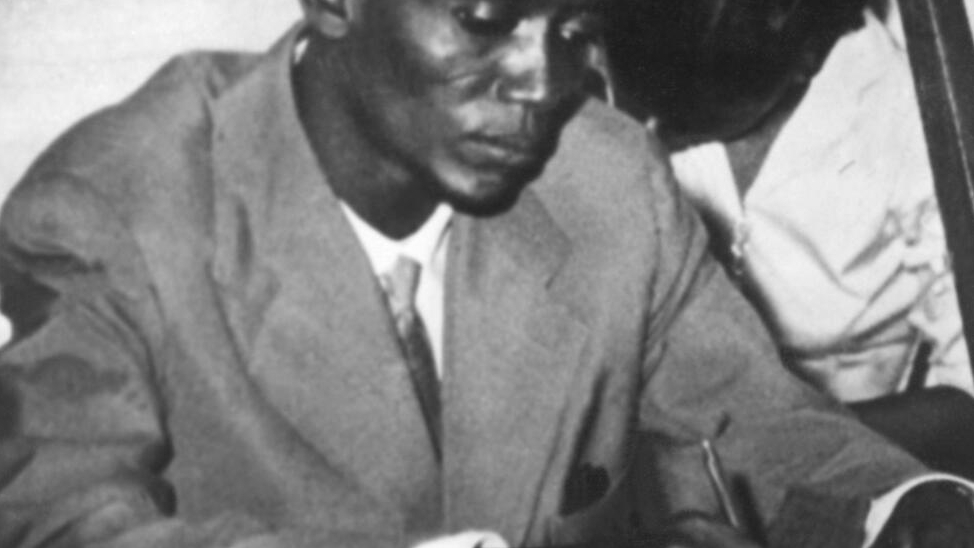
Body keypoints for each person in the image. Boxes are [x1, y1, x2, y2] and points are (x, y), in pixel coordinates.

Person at [0, 1, 971, 547]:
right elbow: (55, 518)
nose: (544, 84)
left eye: (571, 29)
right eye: (483, 21)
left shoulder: (603, 182)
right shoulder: (115, 207)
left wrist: (909, 507)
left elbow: (757, 423)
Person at [606, 0, 972, 403]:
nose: (656, 127)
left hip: (866, 422)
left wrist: (806, 436)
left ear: (806, 57)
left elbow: (965, 386)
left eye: (688, 114)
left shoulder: (904, 119)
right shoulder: (646, 65)